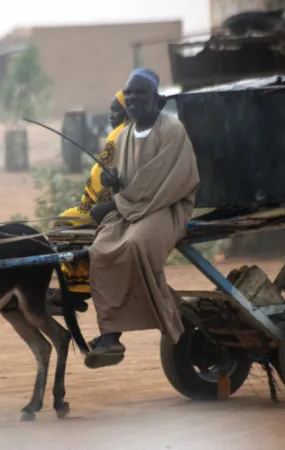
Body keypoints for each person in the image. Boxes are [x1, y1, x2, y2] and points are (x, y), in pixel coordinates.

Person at [84, 68, 201, 369]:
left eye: (141, 93)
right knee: (100, 250)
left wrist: (112, 206)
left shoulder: (171, 130)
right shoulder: (123, 136)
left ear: (157, 100)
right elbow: (131, 182)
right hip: (129, 207)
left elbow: (158, 182)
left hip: (165, 206)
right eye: (129, 93)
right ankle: (110, 335)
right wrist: (115, 184)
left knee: (136, 245)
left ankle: (170, 320)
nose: (133, 98)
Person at [48, 91, 130, 312]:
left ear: (126, 111)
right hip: (103, 204)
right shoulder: (126, 132)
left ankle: (78, 287)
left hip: (105, 207)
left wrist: (102, 205)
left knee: (62, 226)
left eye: (116, 110)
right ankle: (77, 285)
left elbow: (110, 173)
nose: (111, 115)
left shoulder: (119, 135)